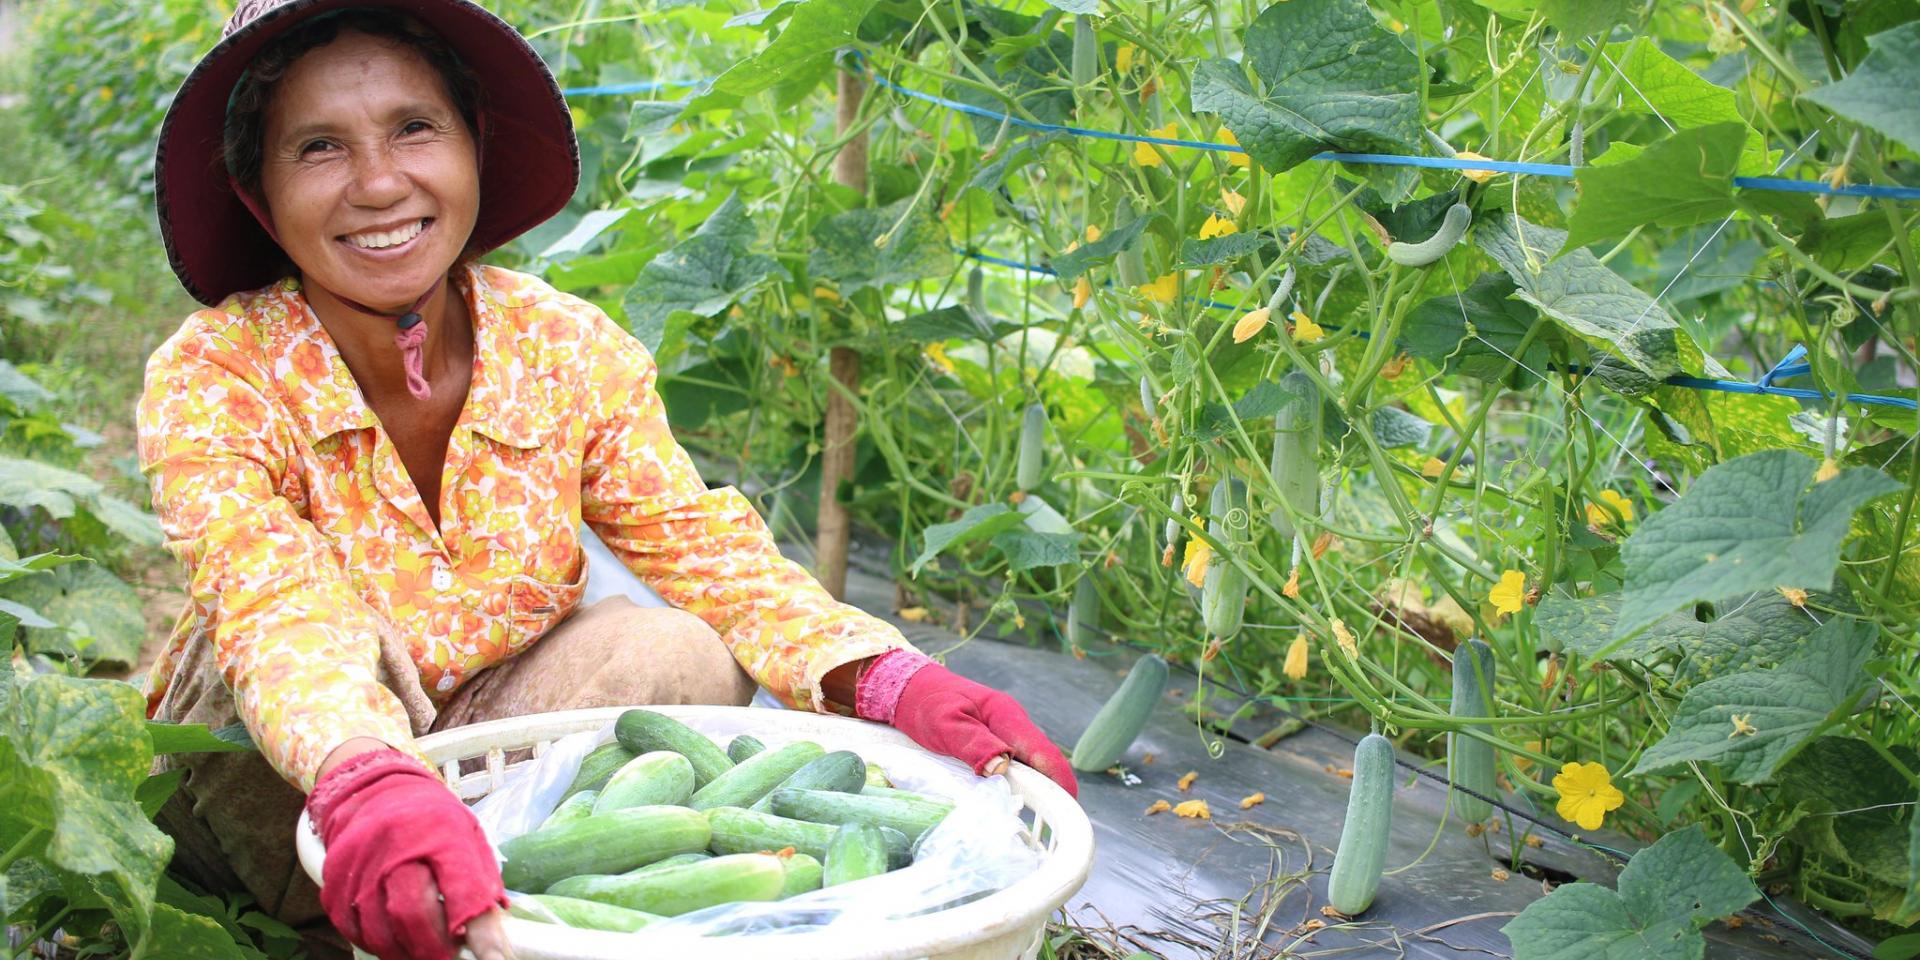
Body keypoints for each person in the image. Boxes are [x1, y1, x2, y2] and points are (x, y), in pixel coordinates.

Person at [139, 2, 1079, 958]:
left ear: (473, 149)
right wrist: (365, 774)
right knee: (317, 643)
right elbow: (272, 604)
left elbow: (701, 546)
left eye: (415, 128)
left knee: (680, 652)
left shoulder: (565, 345)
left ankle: (501, 910)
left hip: (480, 742)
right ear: (260, 196)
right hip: (278, 775)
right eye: (318, 148)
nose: (380, 183)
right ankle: (332, 907)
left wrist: (883, 676)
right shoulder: (219, 371)